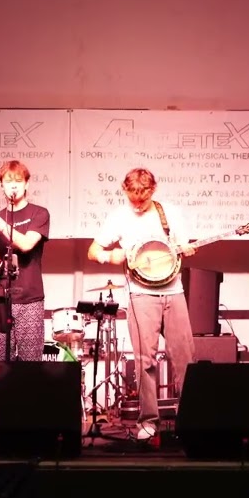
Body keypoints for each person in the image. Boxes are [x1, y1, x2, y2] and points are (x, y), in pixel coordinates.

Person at [88, 168, 196, 443]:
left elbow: (183, 245)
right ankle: (148, 421)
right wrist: (113, 256)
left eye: (143, 197)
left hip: (174, 292)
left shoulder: (169, 213)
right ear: (125, 191)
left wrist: (188, 247)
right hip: (140, 294)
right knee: (145, 360)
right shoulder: (118, 217)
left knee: (185, 359)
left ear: (153, 190)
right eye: (132, 196)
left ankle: (191, 419)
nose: (137, 202)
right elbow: (93, 250)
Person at [0, 160, 51, 372]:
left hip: (30, 299)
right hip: (0, 299)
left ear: (27, 184)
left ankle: (30, 406)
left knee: (30, 366)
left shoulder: (39, 213)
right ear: (1, 186)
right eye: (8, 182)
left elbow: (26, 244)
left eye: (18, 180)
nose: (14, 186)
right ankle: (1, 406)